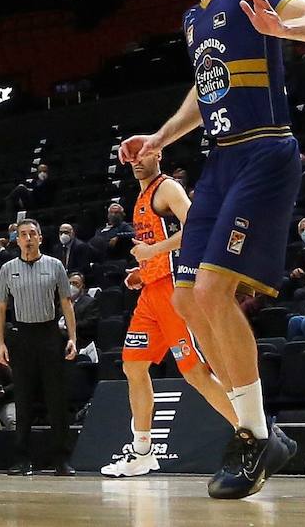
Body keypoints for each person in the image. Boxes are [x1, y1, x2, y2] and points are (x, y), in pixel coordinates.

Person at [120, 0, 305, 500]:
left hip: (264, 151)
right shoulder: (194, 20)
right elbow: (205, 89)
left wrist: (285, 31)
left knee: (215, 291)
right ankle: (261, 434)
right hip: (219, 160)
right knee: (189, 300)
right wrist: (161, 138)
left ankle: (253, 438)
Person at [101, 149, 235, 478]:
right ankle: (143, 452)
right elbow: (157, 246)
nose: (136, 161)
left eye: (142, 154)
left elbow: (198, 227)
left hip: (175, 289)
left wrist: (152, 251)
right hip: (151, 291)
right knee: (133, 366)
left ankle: (253, 435)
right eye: (130, 158)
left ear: (158, 154)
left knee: (195, 372)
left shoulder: (168, 188)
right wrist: (142, 269)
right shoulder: (143, 195)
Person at [0, 219, 76, 476]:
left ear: (40, 238)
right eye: (22, 235)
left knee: (56, 399)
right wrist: (0, 343)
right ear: (17, 240)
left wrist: (73, 337)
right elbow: (0, 307)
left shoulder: (55, 265)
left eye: (32, 234)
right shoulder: (7, 268)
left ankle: (61, 460)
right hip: (22, 335)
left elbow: (66, 303)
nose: (27, 238)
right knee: (23, 399)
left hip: (50, 334)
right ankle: (22, 459)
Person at [66, 273, 99, 350]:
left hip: (81, 340)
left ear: (82, 287)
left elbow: (89, 323)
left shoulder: (90, 302)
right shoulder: (62, 302)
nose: (71, 286)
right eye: (69, 283)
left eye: (75, 283)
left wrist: (68, 327)